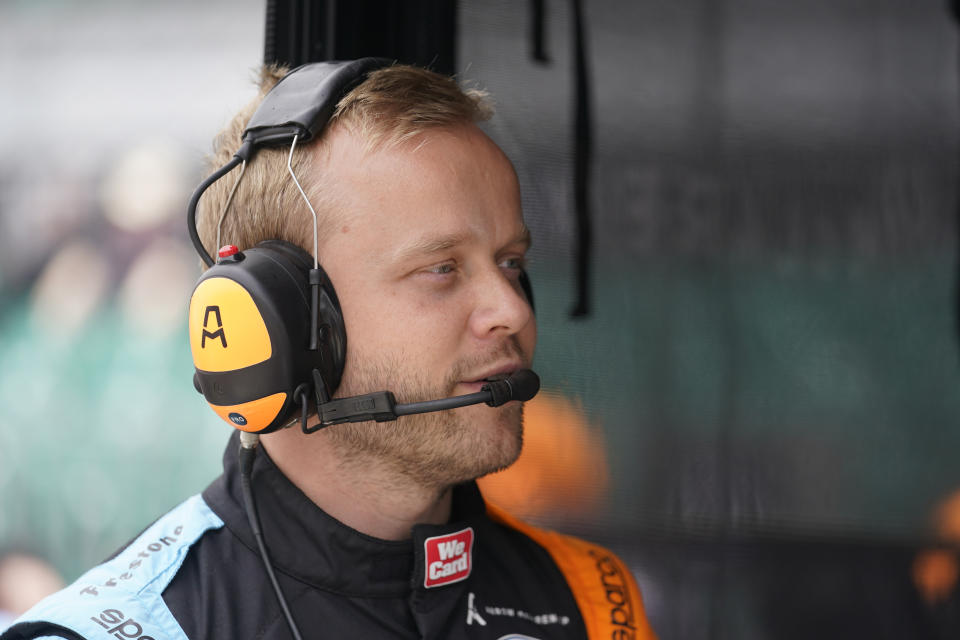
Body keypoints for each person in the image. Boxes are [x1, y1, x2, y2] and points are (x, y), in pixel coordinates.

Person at [3, 62, 657, 639]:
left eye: (511, 262)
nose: (511, 310)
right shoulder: (131, 628)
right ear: (282, 326)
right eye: (441, 269)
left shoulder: (592, 601)